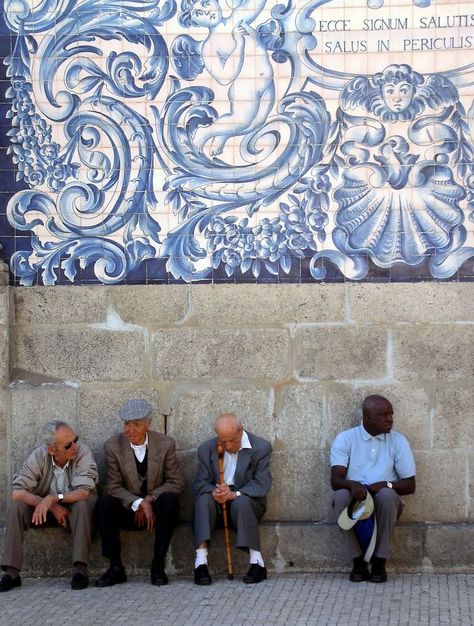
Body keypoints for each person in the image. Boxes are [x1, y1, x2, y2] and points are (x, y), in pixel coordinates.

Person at [95, 398, 185, 587]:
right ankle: (115, 567)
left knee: (169, 500)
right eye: (127, 424)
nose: (130, 430)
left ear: (148, 424)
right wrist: (138, 503)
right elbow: (112, 486)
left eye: (136, 424)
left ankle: (158, 565)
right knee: (105, 502)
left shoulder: (165, 444)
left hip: (157, 512)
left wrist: (150, 499)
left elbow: (176, 482)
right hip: (128, 510)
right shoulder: (113, 446)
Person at [0, 420, 98, 592]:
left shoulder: (82, 452)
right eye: (68, 445)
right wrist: (49, 505)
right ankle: (11, 573)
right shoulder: (39, 456)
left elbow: (84, 492)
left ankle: (80, 570)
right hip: (44, 511)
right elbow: (16, 492)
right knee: (16, 507)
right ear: (52, 450)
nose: (74, 446)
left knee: (82, 505)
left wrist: (54, 498)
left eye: (75, 440)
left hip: (73, 512)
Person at [330, 394, 416, 583]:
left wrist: (386, 484)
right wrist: (353, 485)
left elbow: (410, 485)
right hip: (356, 501)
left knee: (387, 495)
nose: (389, 419)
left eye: (391, 414)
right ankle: (358, 561)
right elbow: (336, 480)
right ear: (367, 417)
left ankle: (379, 561)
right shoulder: (346, 439)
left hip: (384, 504)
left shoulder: (398, 441)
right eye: (383, 415)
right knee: (340, 496)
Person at [178, 0, 275, 156]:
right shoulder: (209, 45)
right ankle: (206, 133)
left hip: (267, 84)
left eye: (206, 3)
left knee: (257, 122)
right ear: (195, 23)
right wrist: (239, 45)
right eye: (199, 13)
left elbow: (256, 4)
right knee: (241, 121)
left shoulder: (237, 17)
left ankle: (222, 136)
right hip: (245, 89)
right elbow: (224, 77)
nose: (207, 11)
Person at [193, 412, 272, 585]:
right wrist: (214, 491)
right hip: (217, 503)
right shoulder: (206, 449)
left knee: (241, 502)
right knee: (203, 500)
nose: (227, 446)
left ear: (240, 430)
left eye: (231, 441)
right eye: (223, 441)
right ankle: (200, 563)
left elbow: (261, 483)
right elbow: (199, 483)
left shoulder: (261, 447)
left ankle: (257, 562)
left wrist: (234, 494)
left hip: (246, 503)